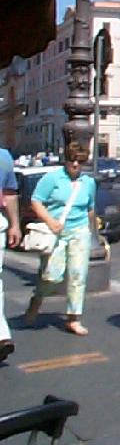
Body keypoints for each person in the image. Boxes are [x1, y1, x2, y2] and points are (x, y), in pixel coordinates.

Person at [24, 142, 98, 336]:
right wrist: (49, 220)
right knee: (52, 275)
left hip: (79, 231)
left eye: (79, 161)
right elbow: (36, 200)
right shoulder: (52, 178)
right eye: (71, 160)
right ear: (65, 160)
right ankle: (37, 300)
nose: (75, 164)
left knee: (77, 275)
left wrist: (94, 231)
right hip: (55, 232)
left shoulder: (88, 182)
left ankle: (73, 318)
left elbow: (90, 207)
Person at [1, 146, 22, 361]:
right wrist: (14, 224)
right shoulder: (4, 156)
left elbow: (9, 193)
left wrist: (15, 224)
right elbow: (10, 193)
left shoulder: (4, 157)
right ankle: (1, 335)